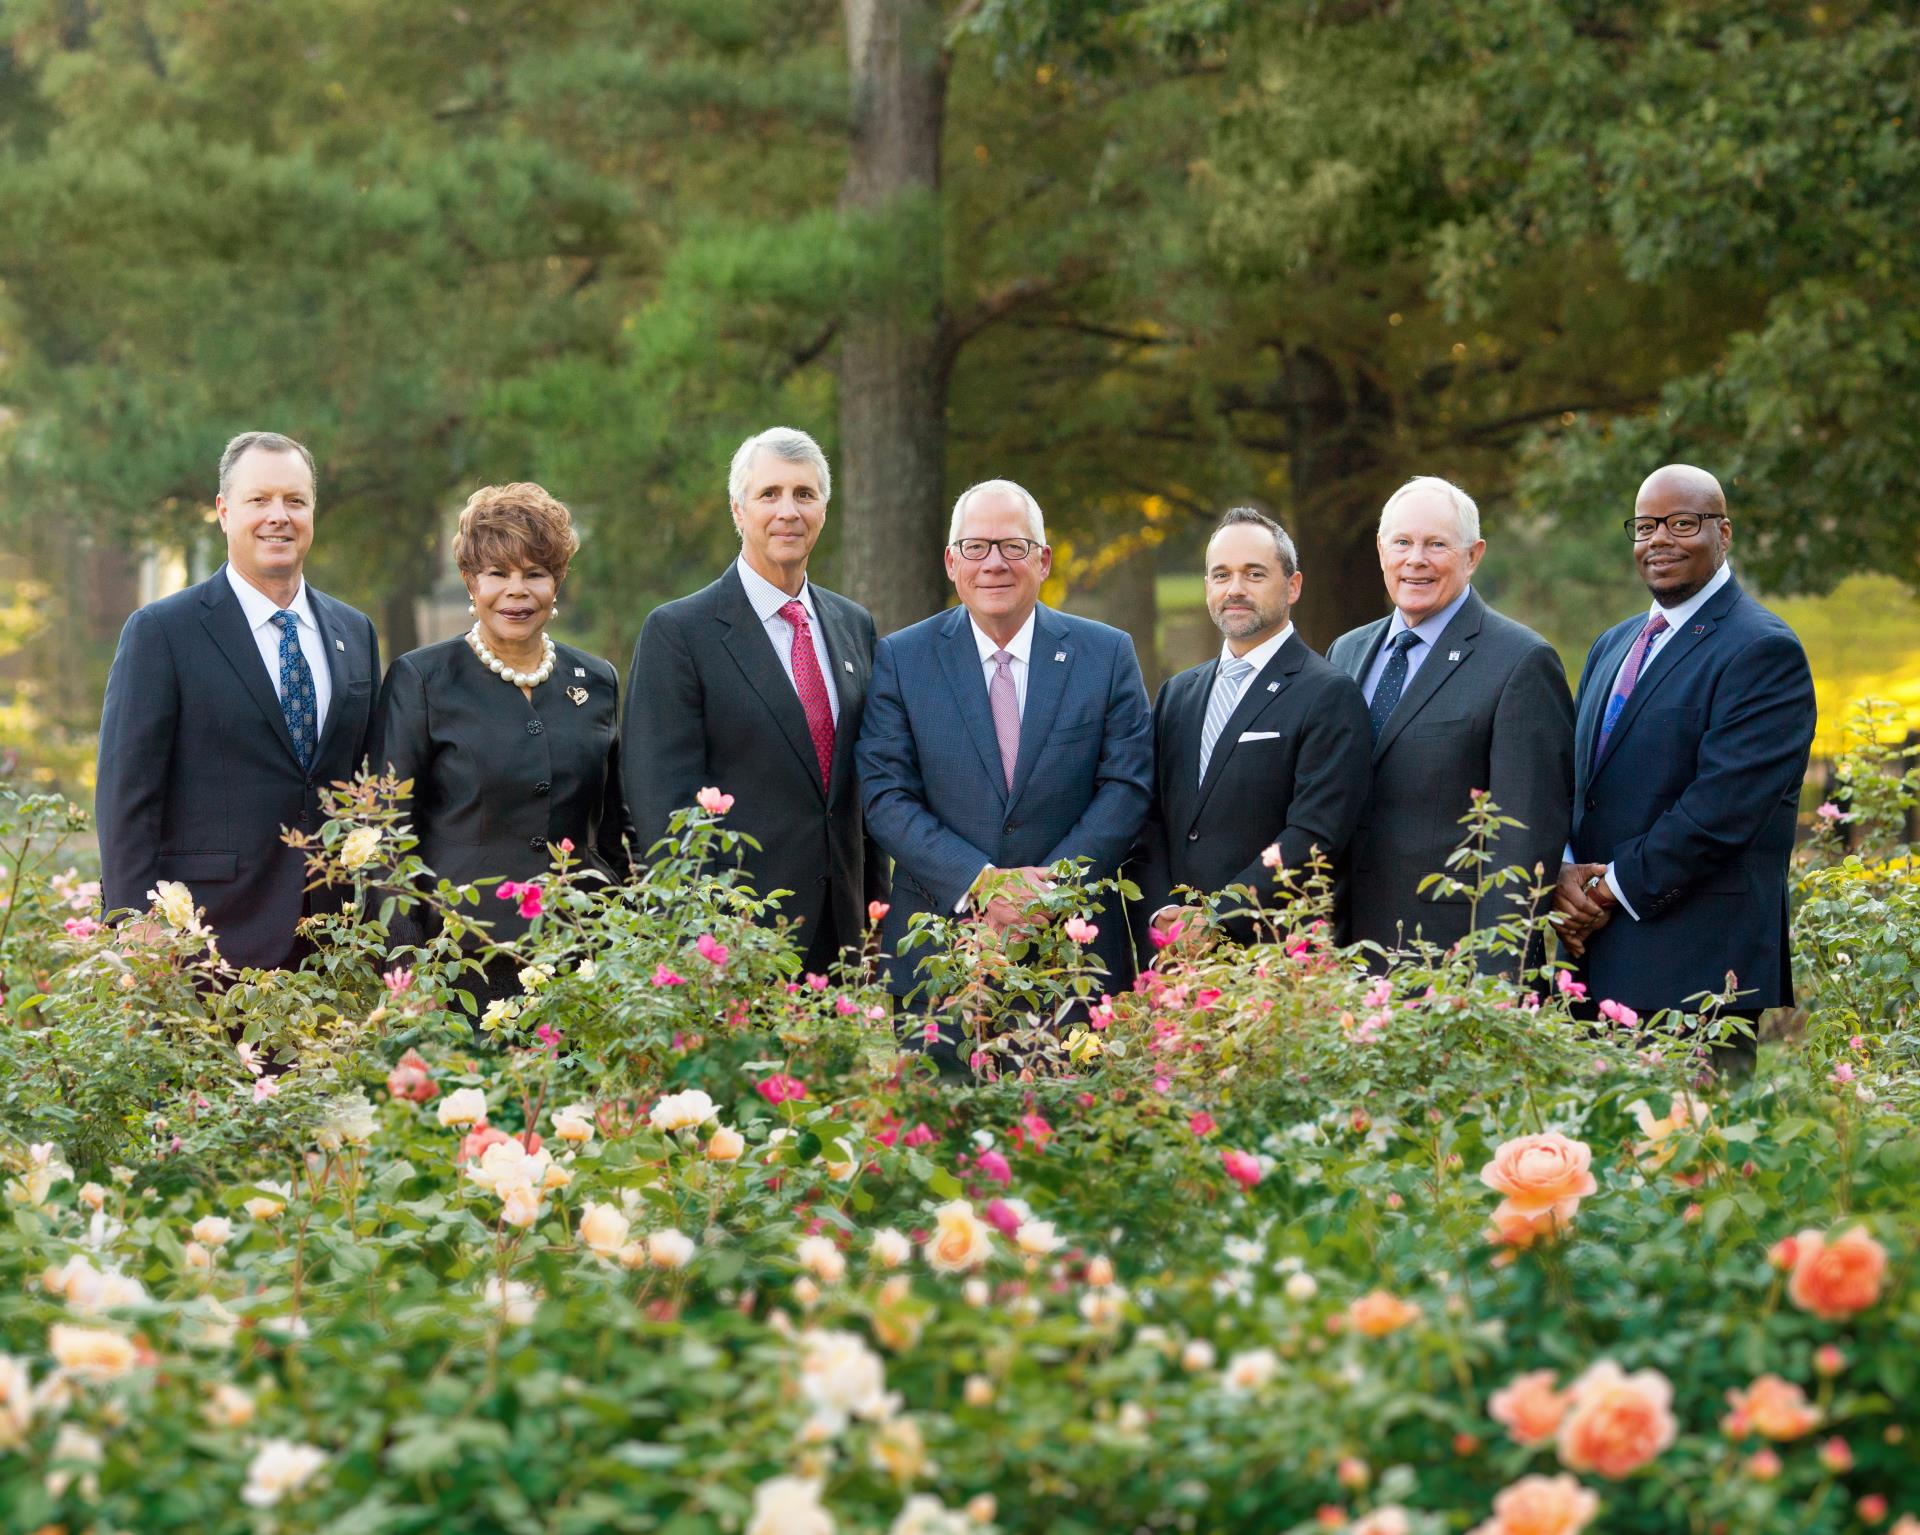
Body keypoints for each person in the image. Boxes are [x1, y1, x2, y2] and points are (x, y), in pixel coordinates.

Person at [857, 478, 1153, 1017]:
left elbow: (1127, 788)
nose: (993, 563)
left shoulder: (1106, 655)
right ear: (952, 562)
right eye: (976, 547)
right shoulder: (902, 660)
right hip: (942, 955)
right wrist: (981, 883)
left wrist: (1048, 893)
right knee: (945, 1104)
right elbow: (885, 797)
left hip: (1077, 956)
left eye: (1012, 546)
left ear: (1043, 561)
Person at [1554, 464, 1816, 1064]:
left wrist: (1607, 891)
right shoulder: (1613, 644)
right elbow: (1581, 783)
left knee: (1696, 1152)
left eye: (1681, 523)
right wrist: (1566, 875)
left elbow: (1721, 811)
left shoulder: (1762, 650)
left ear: (1723, 533)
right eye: (1645, 526)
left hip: (1695, 969)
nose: (1659, 540)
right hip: (1593, 957)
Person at [96, 431, 381, 970]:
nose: (279, 516)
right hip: (206, 940)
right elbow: (126, 793)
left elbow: (367, 784)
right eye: (259, 500)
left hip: (333, 943)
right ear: (225, 512)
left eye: (295, 501)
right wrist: (136, 924)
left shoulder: (355, 632)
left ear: (313, 512)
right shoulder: (162, 632)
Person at [623, 428, 884, 976]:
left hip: (846, 941)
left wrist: (876, 922)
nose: (787, 511)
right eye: (769, 495)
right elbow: (662, 807)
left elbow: (859, 791)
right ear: (738, 511)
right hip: (735, 943)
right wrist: (700, 942)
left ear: (824, 510)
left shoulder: (853, 626)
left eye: (804, 494)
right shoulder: (680, 633)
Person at [373, 482, 630, 1000]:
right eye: (498, 574)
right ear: (471, 581)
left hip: (578, 959)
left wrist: (619, 936)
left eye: (535, 574)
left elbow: (610, 830)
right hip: (457, 963)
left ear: (556, 583)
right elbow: (387, 834)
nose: (517, 591)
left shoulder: (596, 679)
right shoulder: (421, 680)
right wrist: (404, 957)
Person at [1327, 476, 1574, 965]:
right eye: (1402, 542)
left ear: (1473, 555)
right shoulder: (1346, 651)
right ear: (1381, 551)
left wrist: (1496, 978)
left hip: (1451, 961)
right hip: (1343, 954)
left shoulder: (1521, 662)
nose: (1415, 559)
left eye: (1436, 544)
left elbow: (1523, 836)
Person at [1135, 507, 1370, 946]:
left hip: (1275, 957)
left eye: (1254, 574)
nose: (1235, 589)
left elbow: (1314, 834)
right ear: (1207, 586)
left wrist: (1217, 919)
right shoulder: (1177, 694)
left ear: (1293, 585)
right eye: (1221, 575)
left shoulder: (1329, 694)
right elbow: (1149, 821)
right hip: (1176, 961)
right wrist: (1164, 917)